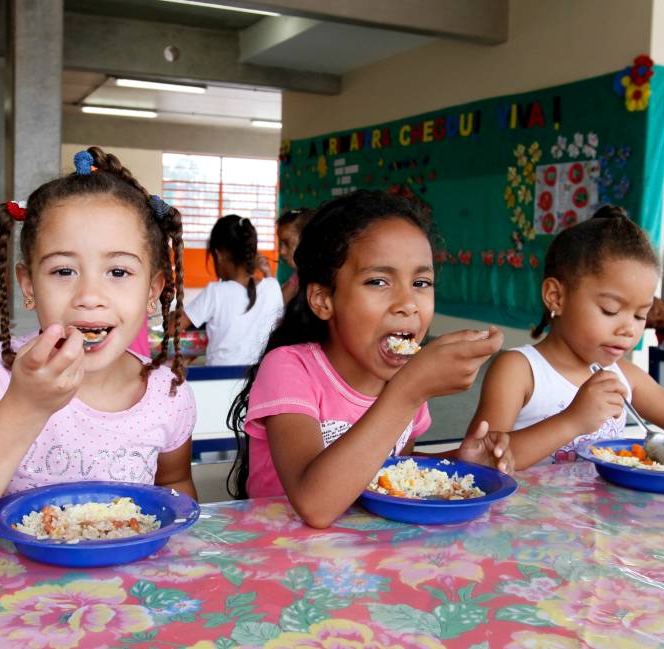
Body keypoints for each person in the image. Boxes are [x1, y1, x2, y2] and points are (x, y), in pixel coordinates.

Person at [0, 147, 196, 552]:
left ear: (153, 291)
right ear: (29, 286)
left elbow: (173, 485)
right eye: (64, 271)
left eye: (118, 272)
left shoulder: (167, 392)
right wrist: (26, 405)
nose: (90, 296)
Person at [226, 190, 511, 528]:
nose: (408, 303)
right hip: (281, 560)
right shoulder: (289, 369)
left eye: (421, 282)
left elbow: (388, 470)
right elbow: (314, 503)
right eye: (378, 281)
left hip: (367, 558)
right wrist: (408, 391)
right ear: (323, 300)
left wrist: (457, 462)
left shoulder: (404, 378)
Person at [471, 208, 664, 470]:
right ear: (556, 297)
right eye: (610, 310)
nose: (628, 329)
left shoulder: (624, 376)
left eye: (641, 315)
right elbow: (482, 459)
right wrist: (573, 421)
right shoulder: (520, 370)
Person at [173, 214, 284, 366]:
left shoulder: (216, 292)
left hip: (219, 381)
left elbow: (173, 328)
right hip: (261, 379)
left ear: (219, 255)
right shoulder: (273, 287)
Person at [274, 207, 313, 305]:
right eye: (280, 243)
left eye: (286, 243)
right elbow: (279, 304)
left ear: (306, 240)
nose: (281, 251)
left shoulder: (321, 279)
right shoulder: (298, 276)